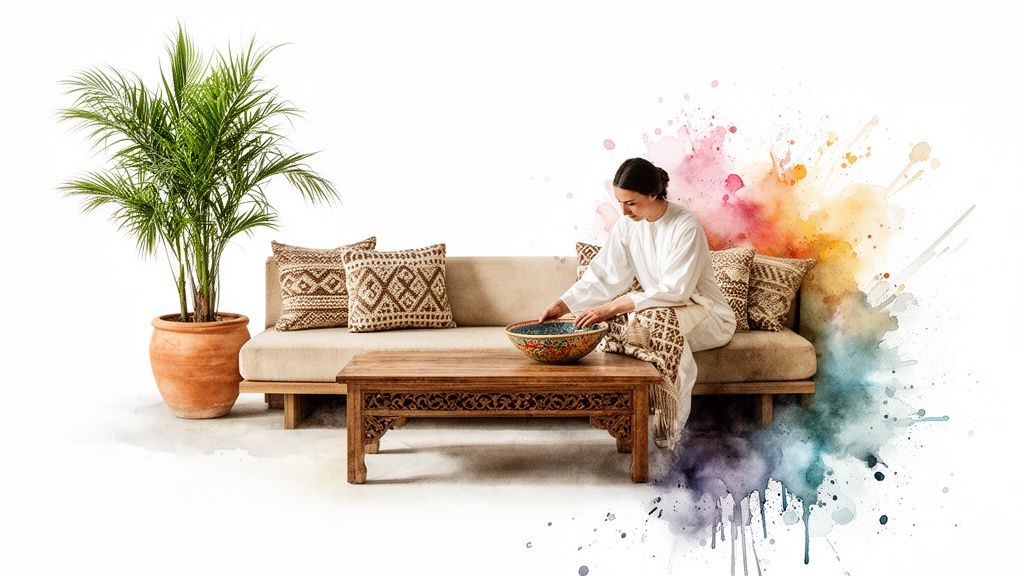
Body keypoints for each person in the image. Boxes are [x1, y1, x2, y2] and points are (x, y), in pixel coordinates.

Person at [538, 157, 736, 448]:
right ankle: (629, 423)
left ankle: (669, 437)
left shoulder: (686, 225)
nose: (623, 210)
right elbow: (606, 274)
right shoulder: (627, 225)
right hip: (657, 309)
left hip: (707, 314)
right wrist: (563, 304)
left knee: (658, 332)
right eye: (619, 202)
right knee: (619, 327)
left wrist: (614, 306)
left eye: (630, 203)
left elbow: (676, 290)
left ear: (653, 194)